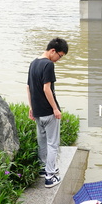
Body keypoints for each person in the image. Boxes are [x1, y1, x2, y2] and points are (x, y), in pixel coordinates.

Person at [27, 37, 68, 188]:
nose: (59, 59)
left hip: (37, 111)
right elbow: (46, 89)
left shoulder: (33, 63)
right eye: (60, 55)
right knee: (53, 144)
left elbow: (28, 87)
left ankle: (44, 169)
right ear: (53, 51)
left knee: (42, 142)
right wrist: (55, 109)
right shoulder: (48, 65)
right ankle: (50, 177)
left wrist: (31, 107)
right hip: (48, 112)